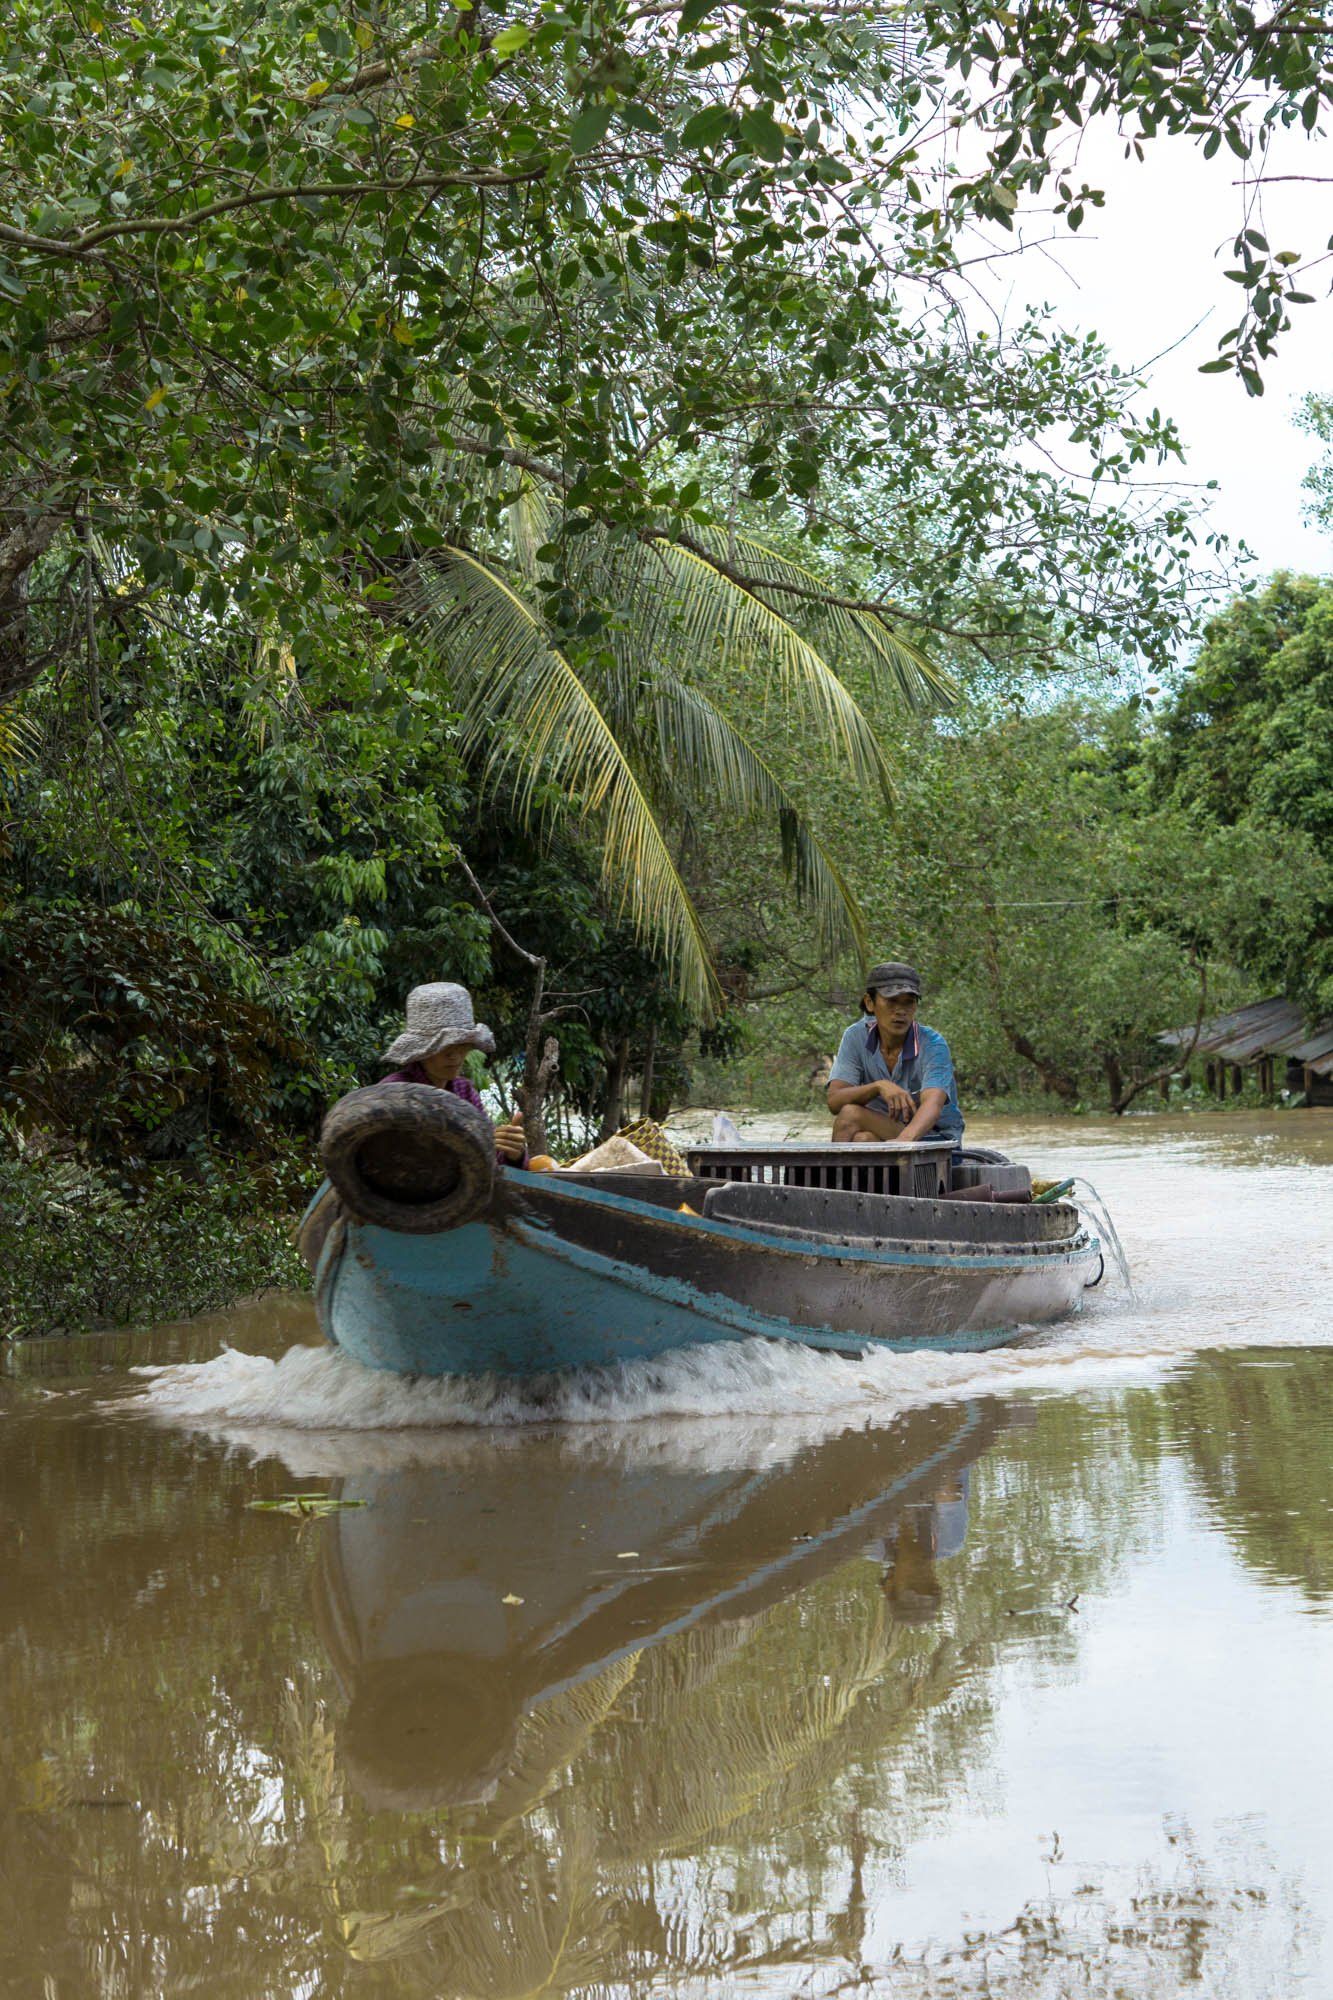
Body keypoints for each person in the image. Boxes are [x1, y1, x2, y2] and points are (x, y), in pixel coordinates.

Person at [381, 982, 526, 1164]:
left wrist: (512, 1154)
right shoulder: (394, 1093)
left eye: (461, 1043)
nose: (455, 1055)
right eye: (444, 1046)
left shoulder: (464, 1092)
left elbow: (488, 1156)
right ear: (421, 1051)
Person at [826, 960, 964, 1152]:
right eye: (891, 1001)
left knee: (851, 1114)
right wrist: (878, 1086)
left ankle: (837, 1173)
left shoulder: (933, 1044)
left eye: (908, 1002)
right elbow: (834, 1100)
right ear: (870, 1003)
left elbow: (933, 1103)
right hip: (888, 1132)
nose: (900, 1011)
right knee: (864, 1139)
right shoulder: (855, 1036)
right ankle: (842, 1173)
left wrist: (900, 1146)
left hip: (936, 1140)